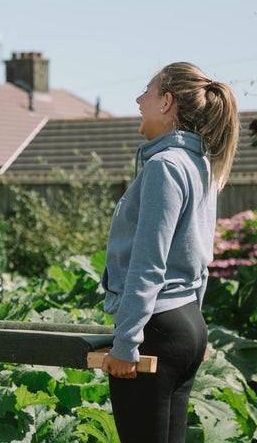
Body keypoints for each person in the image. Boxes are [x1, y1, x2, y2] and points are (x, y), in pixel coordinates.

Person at [100, 62, 240, 442]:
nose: (138, 99)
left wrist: (127, 342)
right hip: (187, 326)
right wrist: (195, 325)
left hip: (157, 331)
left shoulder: (165, 166)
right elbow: (201, 261)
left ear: (166, 102)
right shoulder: (200, 164)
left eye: (147, 91)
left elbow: (148, 265)